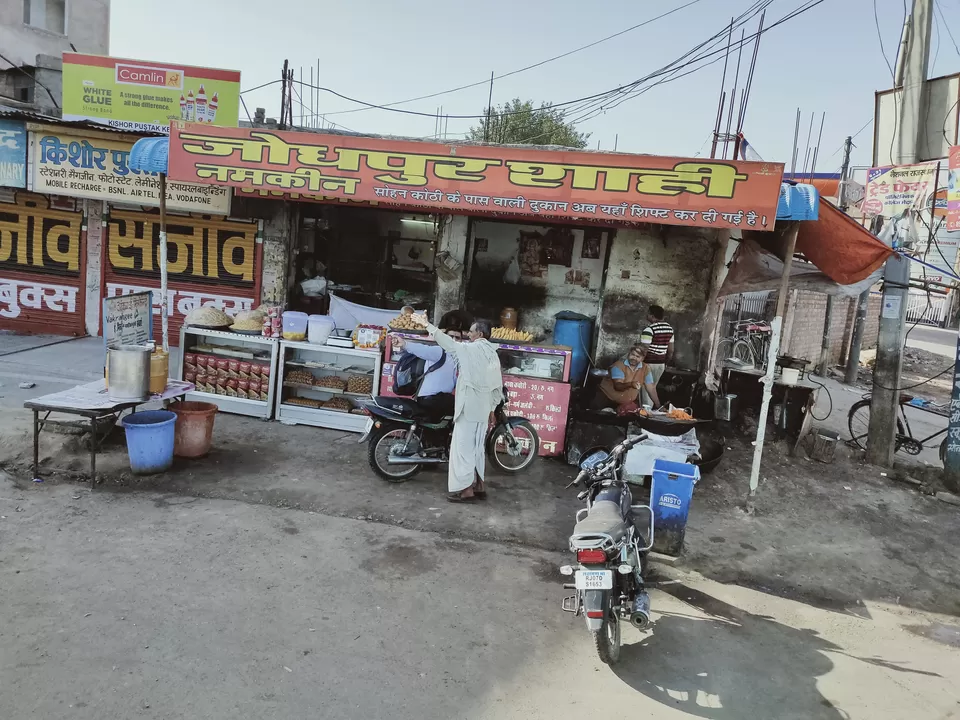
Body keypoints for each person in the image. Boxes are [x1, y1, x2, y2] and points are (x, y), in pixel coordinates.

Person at [409, 314, 503, 503]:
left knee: (463, 450)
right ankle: (479, 486)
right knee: (477, 449)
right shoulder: (493, 354)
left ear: (480, 334)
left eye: (471, 331)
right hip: (483, 410)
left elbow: (448, 344)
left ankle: (466, 491)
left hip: (468, 409)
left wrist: (427, 325)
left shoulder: (471, 349)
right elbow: (497, 386)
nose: (468, 334)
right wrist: (492, 410)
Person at [391, 331, 457, 418]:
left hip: (436, 399)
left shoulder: (455, 357)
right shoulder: (439, 351)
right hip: (432, 399)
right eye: (450, 336)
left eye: (458, 337)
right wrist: (405, 344)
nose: (454, 339)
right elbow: (423, 350)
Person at [593, 345, 661, 412]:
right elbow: (618, 386)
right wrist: (631, 384)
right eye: (632, 354)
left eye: (637, 356)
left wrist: (659, 406)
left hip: (623, 405)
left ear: (642, 358)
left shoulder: (645, 368)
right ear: (629, 354)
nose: (634, 358)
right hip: (606, 400)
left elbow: (651, 389)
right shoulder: (618, 366)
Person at [639, 304, 674, 407]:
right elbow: (671, 350)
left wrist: (638, 364)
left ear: (652, 315)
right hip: (661, 365)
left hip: (648, 363)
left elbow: (644, 349)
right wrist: (665, 363)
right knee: (652, 388)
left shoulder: (649, 330)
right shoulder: (670, 329)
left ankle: (645, 415)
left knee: (645, 391)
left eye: (648, 313)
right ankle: (649, 414)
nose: (646, 316)